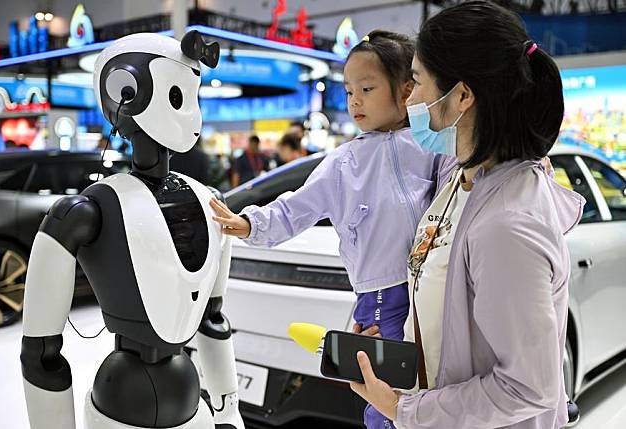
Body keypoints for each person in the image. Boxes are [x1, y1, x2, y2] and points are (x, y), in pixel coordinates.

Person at [348, 3, 585, 429]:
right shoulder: (463, 180)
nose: (410, 99)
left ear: (462, 95)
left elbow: (527, 387)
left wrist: (404, 410)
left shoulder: (507, 225)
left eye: (417, 83)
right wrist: (401, 345)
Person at [209, 30, 456, 429]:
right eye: (348, 91)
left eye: (367, 88)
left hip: (436, 289)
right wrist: (250, 223)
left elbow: (461, 189)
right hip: (382, 295)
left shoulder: (432, 145)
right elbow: (295, 209)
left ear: (407, 89)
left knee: (433, 383)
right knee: (384, 386)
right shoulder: (343, 162)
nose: (354, 100)